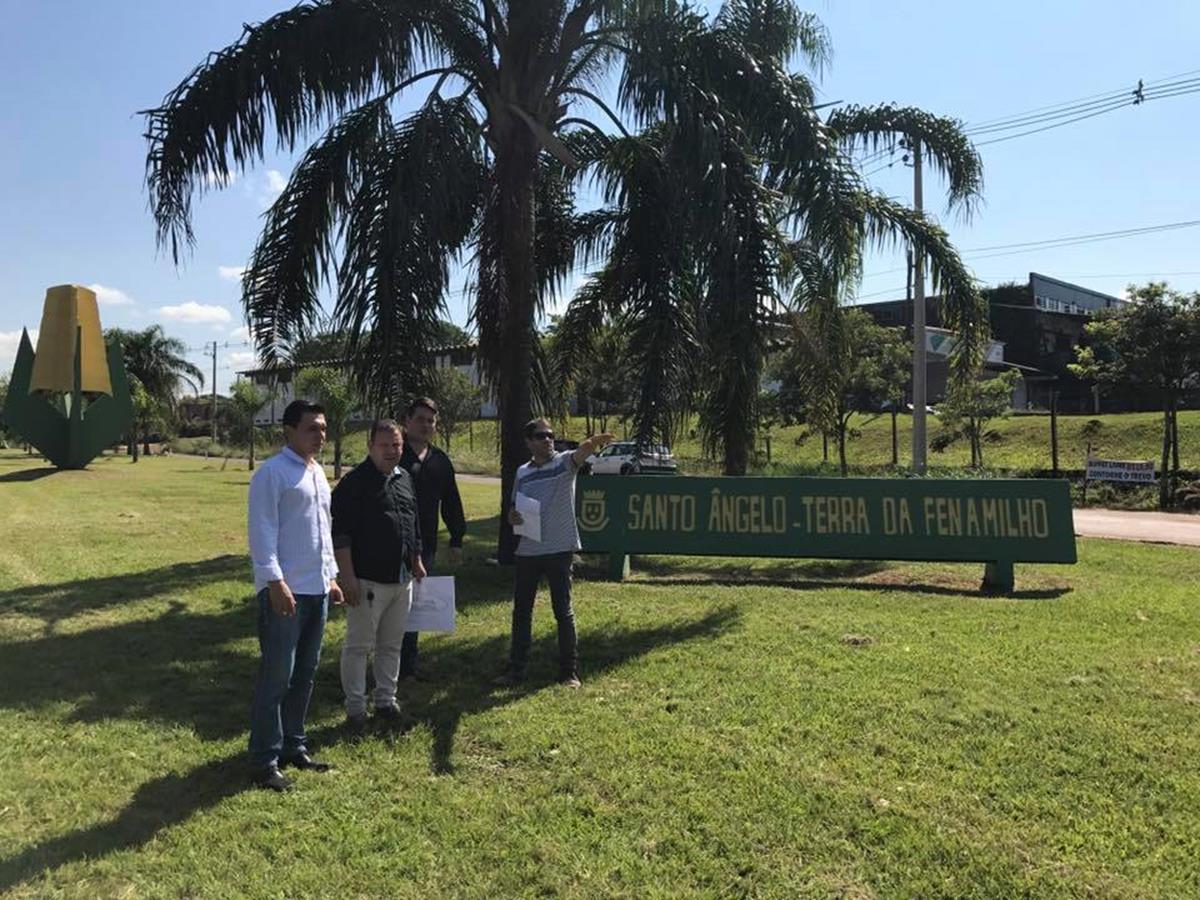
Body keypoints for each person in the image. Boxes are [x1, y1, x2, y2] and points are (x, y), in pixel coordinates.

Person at [247, 399, 344, 792]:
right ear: (288, 430)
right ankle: (264, 759)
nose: (320, 435)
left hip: (317, 590)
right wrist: (274, 581)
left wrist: (332, 576)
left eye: (323, 428)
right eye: (312, 428)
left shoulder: (318, 473)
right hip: (286, 593)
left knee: (304, 675)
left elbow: (323, 530)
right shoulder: (272, 474)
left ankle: (293, 745)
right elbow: (262, 530)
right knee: (277, 678)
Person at [499, 419, 615, 688]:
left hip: (559, 549)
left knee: (563, 611)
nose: (548, 440)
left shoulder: (563, 464)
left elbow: (581, 453)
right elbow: (513, 509)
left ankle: (568, 672)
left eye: (551, 435)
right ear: (529, 442)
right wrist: (512, 517)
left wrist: (593, 443)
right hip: (528, 550)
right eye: (541, 436)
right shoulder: (522, 472)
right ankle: (516, 671)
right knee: (521, 613)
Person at [331, 419, 426, 732]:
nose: (391, 451)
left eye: (396, 445)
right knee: (359, 646)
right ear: (370, 446)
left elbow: (412, 523)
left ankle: (386, 700)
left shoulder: (405, 479)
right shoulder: (354, 484)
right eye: (384, 445)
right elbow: (341, 535)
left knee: (391, 645)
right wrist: (348, 578)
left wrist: (416, 558)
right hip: (367, 581)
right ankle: (356, 709)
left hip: (401, 580)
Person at [397, 397, 466, 680]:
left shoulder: (440, 461)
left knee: (412, 608)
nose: (426, 425)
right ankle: (386, 661)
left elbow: (451, 501)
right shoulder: (394, 454)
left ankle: (407, 667)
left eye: (431, 420)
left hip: (425, 546)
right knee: (389, 607)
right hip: (389, 544)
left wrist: (457, 538)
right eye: (420, 419)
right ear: (407, 421)